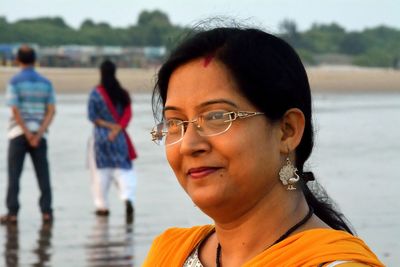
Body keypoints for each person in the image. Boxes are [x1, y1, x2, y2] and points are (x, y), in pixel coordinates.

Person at [144, 27, 384, 266]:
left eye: (217, 117)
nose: (188, 145)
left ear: (287, 131)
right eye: (175, 123)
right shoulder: (169, 255)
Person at [0, 45, 56, 225]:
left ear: (18, 60)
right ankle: (46, 212)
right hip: (39, 134)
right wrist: (38, 133)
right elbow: (51, 111)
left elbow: (15, 111)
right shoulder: (46, 83)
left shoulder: (15, 82)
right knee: (43, 175)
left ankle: (13, 212)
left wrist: (26, 132)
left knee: (14, 175)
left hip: (18, 133)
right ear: (34, 60)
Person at [87, 59, 137, 223]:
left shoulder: (96, 94)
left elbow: (92, 117)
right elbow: (128, 114)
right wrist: (117, 128)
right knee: (123, 168)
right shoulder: (123, 93)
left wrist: (108, 126)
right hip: (119, 137)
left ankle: (102, 207)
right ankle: (127, 197)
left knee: (100, 172)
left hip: (101, 138)